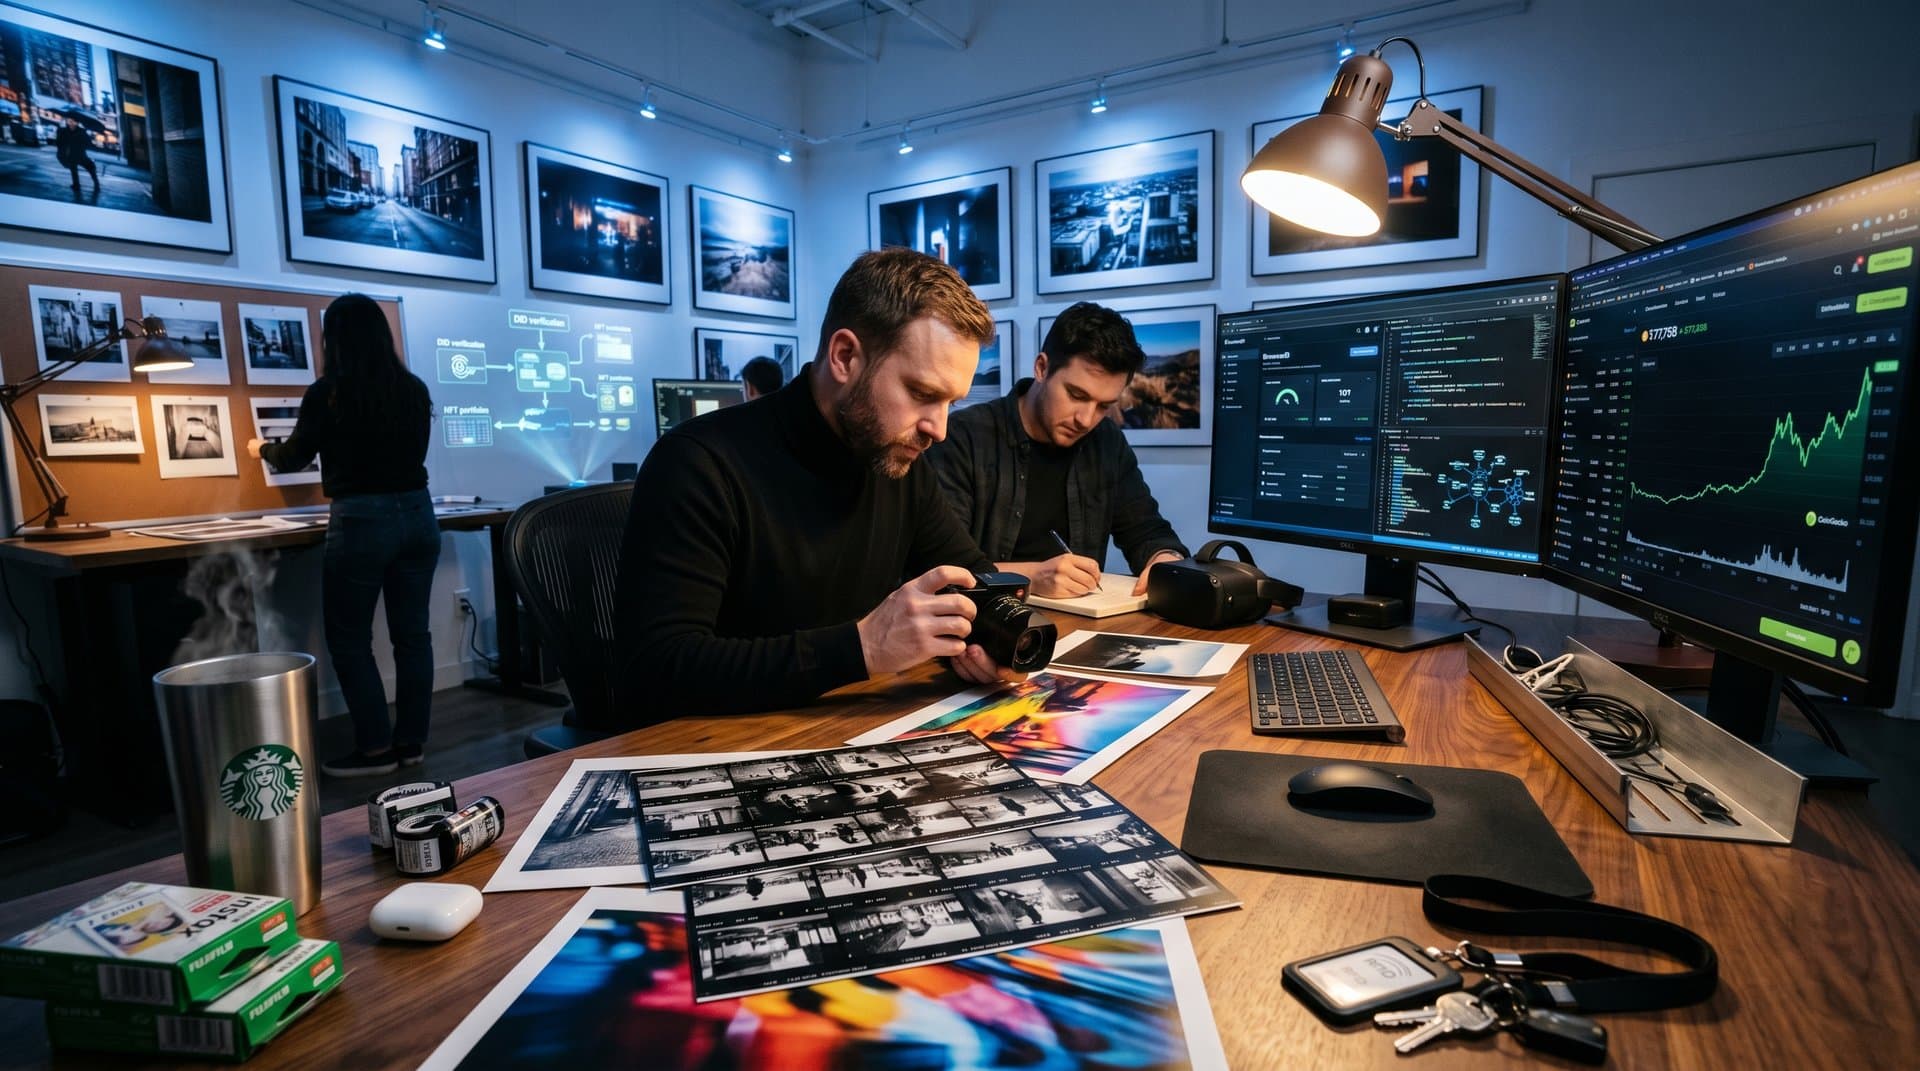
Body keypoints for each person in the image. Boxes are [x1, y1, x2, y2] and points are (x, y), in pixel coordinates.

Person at [614, 249, 1013, 719]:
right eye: (922, 394)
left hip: (833, 723)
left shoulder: (895, 459)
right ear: (845, 357)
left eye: (951, 403)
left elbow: (973, 575)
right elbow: (656, 669)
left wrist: (992, 639)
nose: (939, 429)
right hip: (715, 746)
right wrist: (861, 649)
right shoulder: (698, 464)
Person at [249, 294, 438, 778]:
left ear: (333, 339)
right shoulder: (413, 390)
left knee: (351, 640)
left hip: (361, 522)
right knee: (413, 637)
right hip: (418, 515)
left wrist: (260, 448)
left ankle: (374, 750)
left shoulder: (329, 393)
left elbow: (291, 457)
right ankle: (411, 745)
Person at [927, 301, 1188, 598]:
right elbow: (941, 568)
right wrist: (1031, 577)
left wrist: (1165, 560)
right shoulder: (962, 437)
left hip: (1082, 629)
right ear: (1042, 368)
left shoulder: (1106, 441)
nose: (1086, 420)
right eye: (1076, 395)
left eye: (1104, 406)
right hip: (978, 628)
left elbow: (1148, 531)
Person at [55, 117, 98, 195]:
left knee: (90, 167)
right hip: (71, 154)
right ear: (67, 121)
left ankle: (96, 183)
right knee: (73, 169)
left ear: (77, 123)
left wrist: (82, 143)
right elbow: (59, 142)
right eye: (69, 121)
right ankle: (76, 185)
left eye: (73, 121)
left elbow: (88, 143)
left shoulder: (81, 131)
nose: (71, 123)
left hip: (81, 154)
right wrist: (59, 131)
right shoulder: (64, 131)